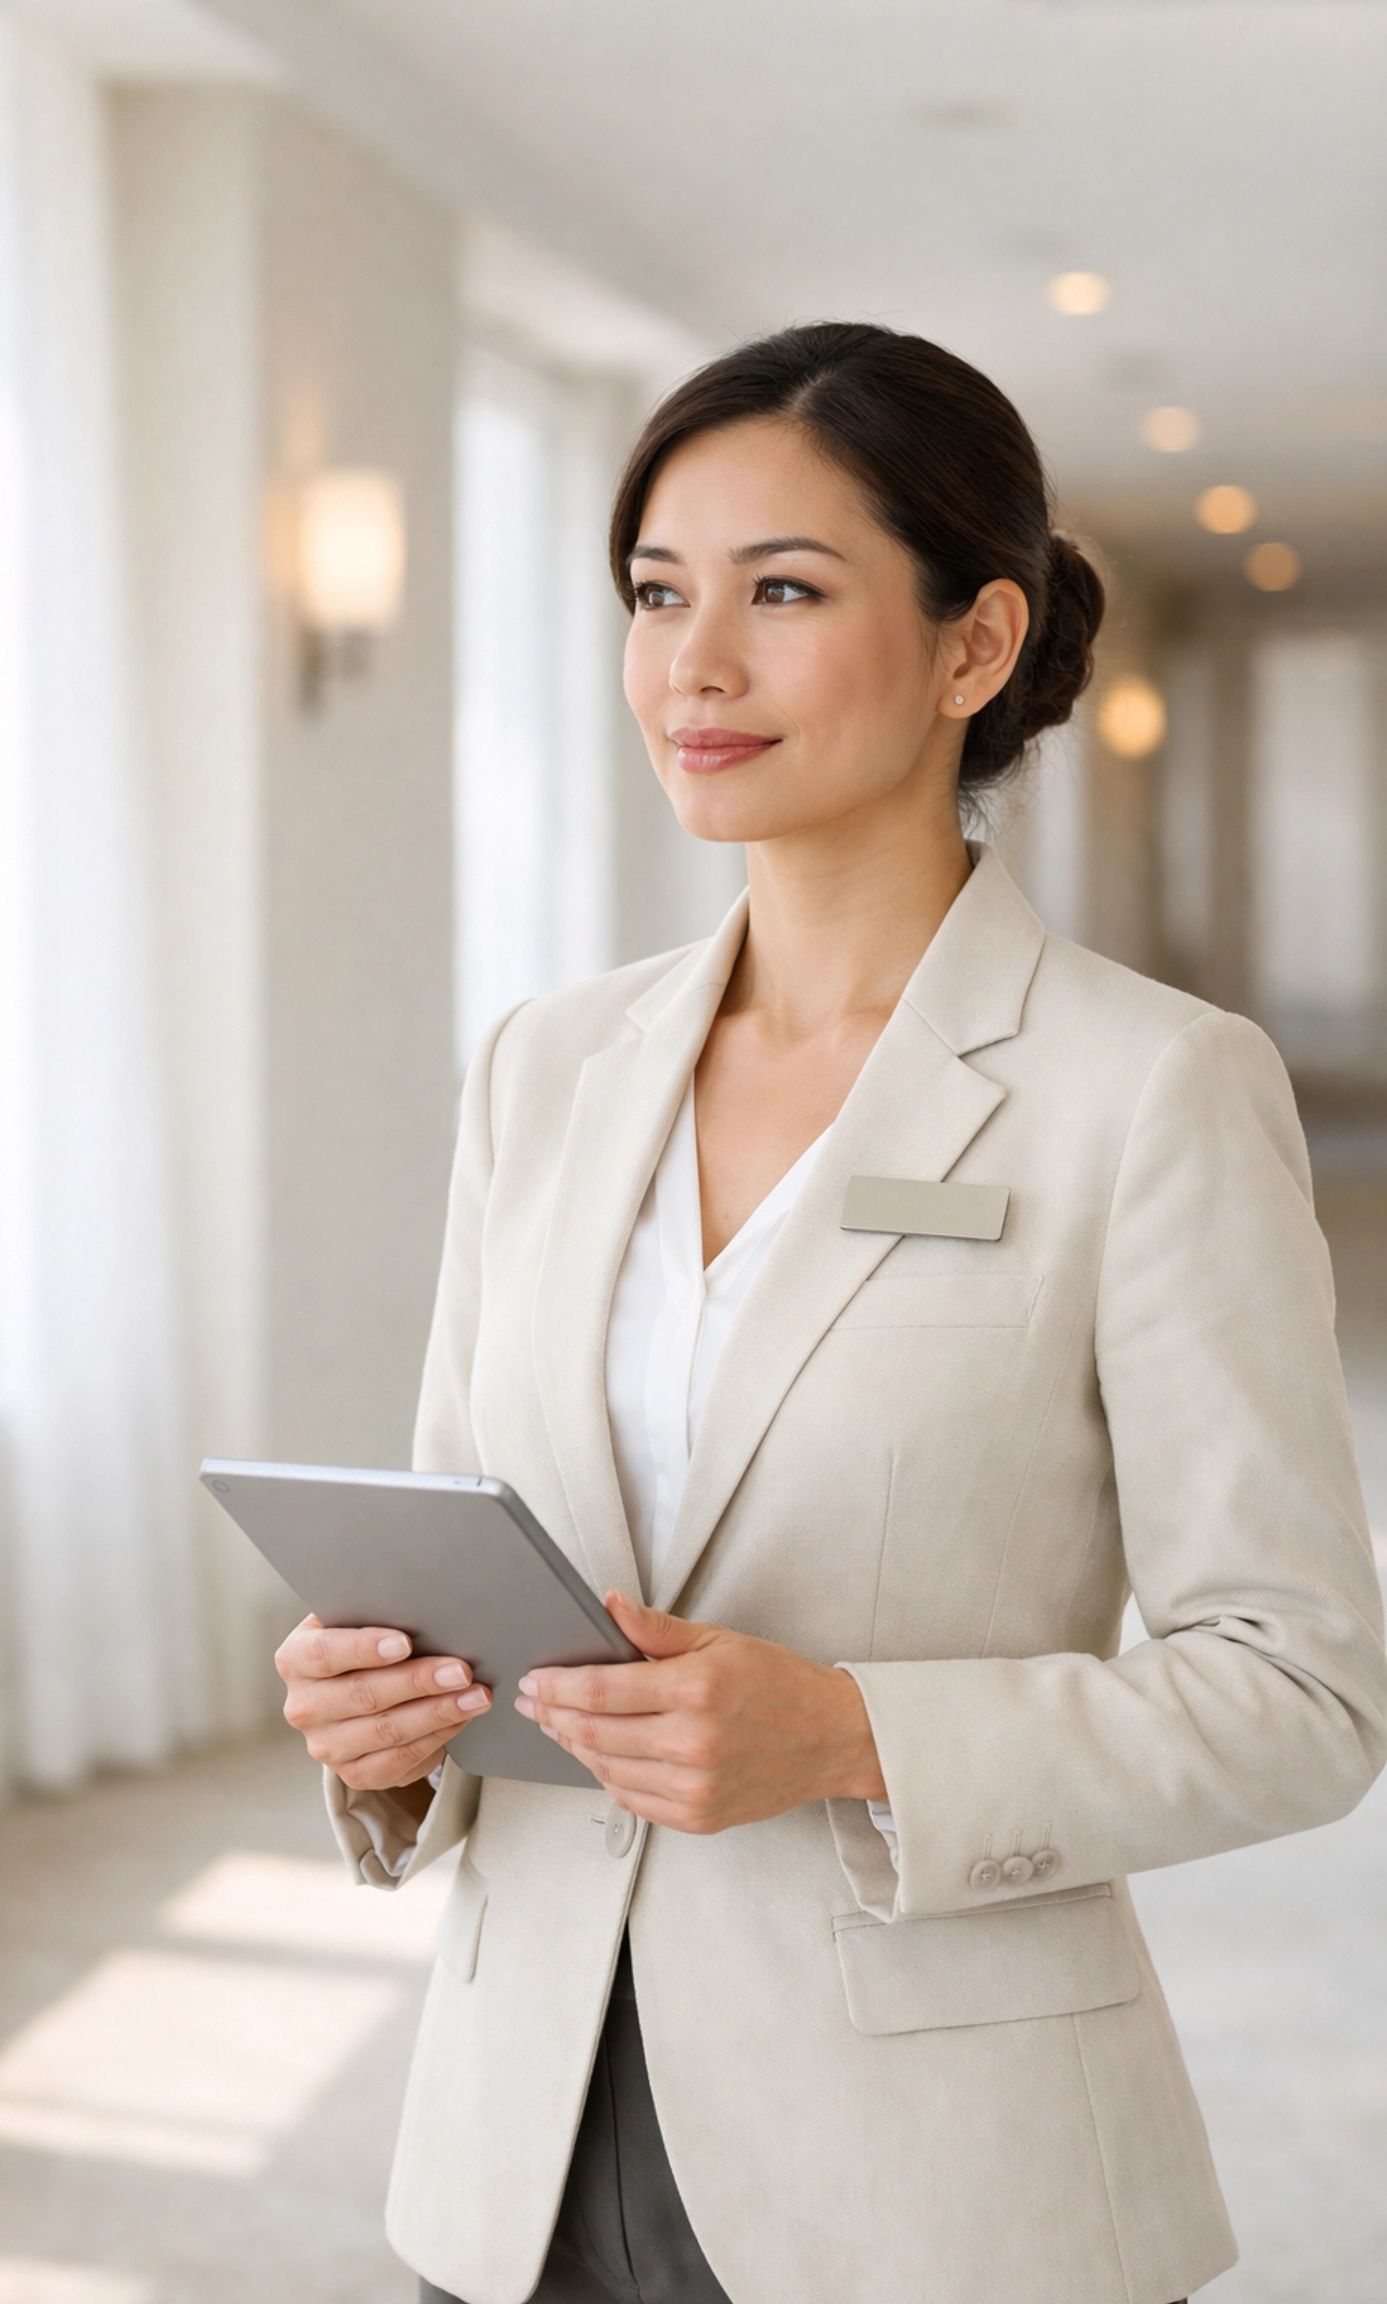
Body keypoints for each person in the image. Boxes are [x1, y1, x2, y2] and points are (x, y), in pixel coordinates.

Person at [276, 322, 1387, 2304]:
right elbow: (469, 1568)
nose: (693, 666)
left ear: (975, 647)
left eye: (781, 592)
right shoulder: (544, 1064)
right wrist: (388, 1730)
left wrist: (854, 1731)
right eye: (653, 595)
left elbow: (1301, 1696)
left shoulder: (1150, 1090)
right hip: (512, 2145)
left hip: (938, 2193)